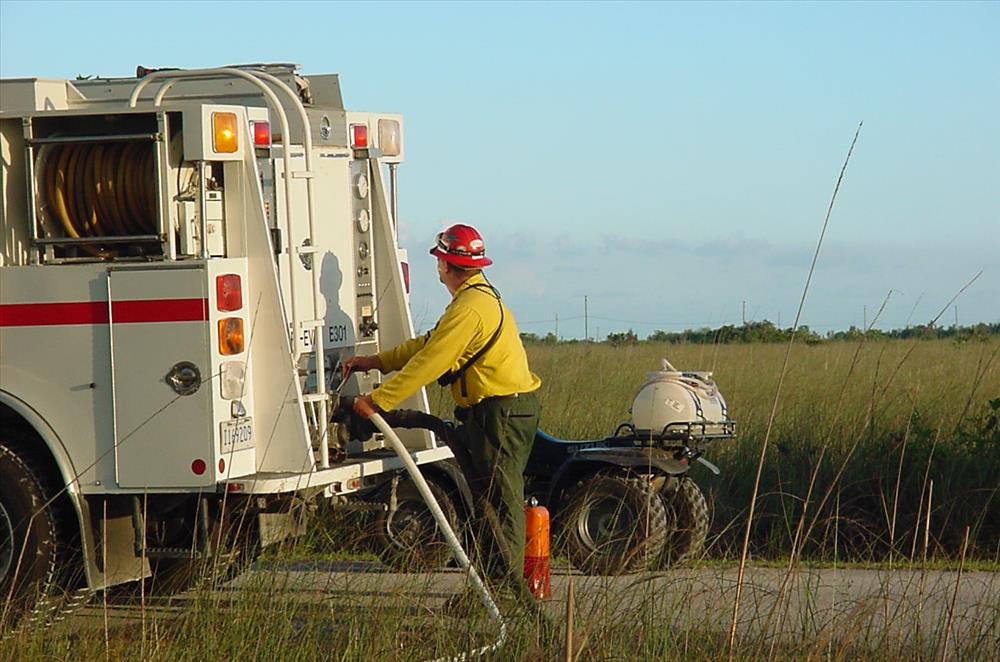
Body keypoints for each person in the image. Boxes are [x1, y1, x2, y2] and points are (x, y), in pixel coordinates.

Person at [343, 223, 542, 604]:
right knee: (487, 503)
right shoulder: (475, 299)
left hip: (501, 414)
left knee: (500, 506)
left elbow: (431, 361)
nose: (437, 269)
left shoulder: (470, 308)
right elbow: (429, 343)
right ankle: (490, 592)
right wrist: (378, 361)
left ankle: (503, 595)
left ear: (447, 265)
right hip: (496, 413)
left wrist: (379, 401)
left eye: (439, 261)